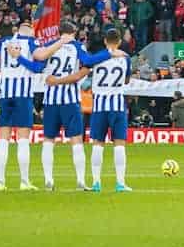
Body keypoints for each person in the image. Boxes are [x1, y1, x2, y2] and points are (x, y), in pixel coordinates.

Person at [16, 19, 115, 190]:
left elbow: (37, 67)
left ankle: (49, 180)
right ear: (73, 33)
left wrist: (19, 58)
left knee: (48, 140)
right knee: (76, 140)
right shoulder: (77, 46)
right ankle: (81, 181)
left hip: (51, 100)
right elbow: (88, 61)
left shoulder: (49, 46)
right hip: (70, 100)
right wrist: (109, 53)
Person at [0, 19, 71, 191]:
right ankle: (24, 181)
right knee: (22, 139)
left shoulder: (3, 42)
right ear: (29, 31)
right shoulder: (31, 42)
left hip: (5, 94)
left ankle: (0, 181)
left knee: (3, 138)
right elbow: (39, 62)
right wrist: (60, 42)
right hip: (22, 95)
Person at [88, 26, 133, 192]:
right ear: (120, 41)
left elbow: (87, 64)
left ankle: (96, 182)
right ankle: (120, 183)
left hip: (99, 105)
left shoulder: (98, 58)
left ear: (105, 41)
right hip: (117, 105)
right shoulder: (125, 58)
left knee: (97, 144)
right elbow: (127, 80)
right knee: (119, 143)